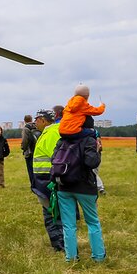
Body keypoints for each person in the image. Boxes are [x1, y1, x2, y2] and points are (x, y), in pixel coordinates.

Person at [52, 116, 106, 262]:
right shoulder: (89, 140)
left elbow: (53, 160)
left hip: (63, 186)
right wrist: (98, 150)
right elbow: (92, 162)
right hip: (85, 187)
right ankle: (98, 257)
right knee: (93, 222)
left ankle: (71, 258)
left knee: (68, 225)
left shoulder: (62, 140)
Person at [31, 109, 65, 251]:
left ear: (44, 120)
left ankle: (60, 245)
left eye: (36, 119)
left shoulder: (51, 133)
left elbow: (56, 158)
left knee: (51, 213)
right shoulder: (49, 132)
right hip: (45, 180)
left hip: (48, 181)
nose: (34, 122)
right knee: (53, 212)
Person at [21, 114, 38, 185]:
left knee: (30, 169)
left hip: (29, 152)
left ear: (24, 121)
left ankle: (33, 185)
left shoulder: (26, 128)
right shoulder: (37, 126)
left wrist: (23, 148)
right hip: (37, 150)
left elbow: (25, 140)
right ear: (31, 119)